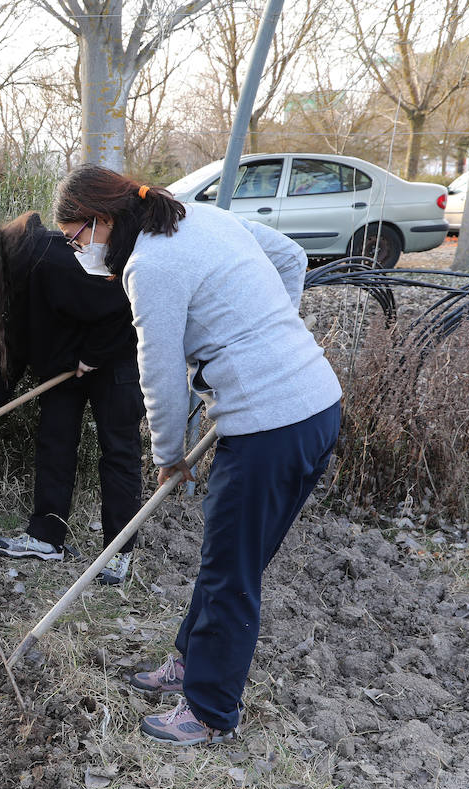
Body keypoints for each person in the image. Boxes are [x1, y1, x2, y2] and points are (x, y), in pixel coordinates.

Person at [52, 166, 342, 747]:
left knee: (230, 568)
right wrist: (268, 331)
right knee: (231, 555)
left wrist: (168, 453)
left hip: (272, 423)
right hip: (316, 404)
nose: (78, 249)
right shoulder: (202, 217)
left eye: (76, 237)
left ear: (102, 220)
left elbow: (157, 372)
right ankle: (190, 660)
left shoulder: (149, 267)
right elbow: (291, 259)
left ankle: (210, 711)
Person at [0, 207, 146, 584]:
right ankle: (46, 537)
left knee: (118, 452)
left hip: (112, 356)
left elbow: (121, 305)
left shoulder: (48, 260)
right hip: (64, 366)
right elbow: (6, 354)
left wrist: (92, 356)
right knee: (54, 443)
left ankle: (118, 552)